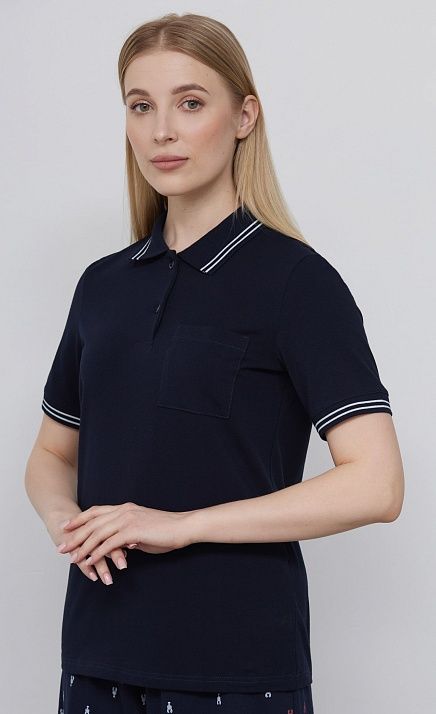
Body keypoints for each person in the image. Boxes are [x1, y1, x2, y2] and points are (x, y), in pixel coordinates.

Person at [25, 12, 404, 714]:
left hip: (237, 666)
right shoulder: (102, 286)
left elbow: (377, 485)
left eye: (191, 103)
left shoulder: (297, 282)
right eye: (141, 106)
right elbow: (51, 454)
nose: (161, 131)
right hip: (95, 658)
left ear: (244, 117)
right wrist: (65, 522)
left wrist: (179, 524)